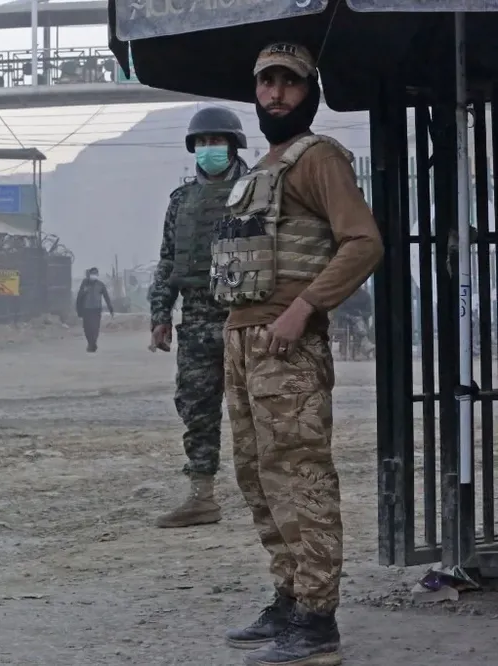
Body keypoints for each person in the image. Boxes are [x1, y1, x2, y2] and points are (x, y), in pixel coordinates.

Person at [212, 43, 383, 665]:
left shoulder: (319, 160)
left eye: (289, 83)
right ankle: (288, 596)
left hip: (286, 342)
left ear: (309, 92)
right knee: (259, 476)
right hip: (245, 340)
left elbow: (363, 242)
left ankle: (317, 621)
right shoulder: (265, 166)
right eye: (267, 83)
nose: (276, 93)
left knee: (300, 477)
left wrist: (305, 307)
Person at [148, 105, 249, 529]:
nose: (210, 149)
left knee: (258, 409)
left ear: (233, 145)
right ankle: (201, 496)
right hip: (197, 319)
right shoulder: (182, 201)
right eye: (203, 142)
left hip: (247, 315)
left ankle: (268, 493)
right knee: (196, 407)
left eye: (217, 141)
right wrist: (160, 314)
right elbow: (169, 259)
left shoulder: (256, 191)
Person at [76, 267, 113, 352]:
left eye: (95, 274)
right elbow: (79, 297)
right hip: (86, 310)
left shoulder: (100, 285)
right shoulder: (85, 284)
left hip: (96, 309)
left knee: (95, 328)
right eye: (92, 273)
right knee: (87, 328)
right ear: (89, 274)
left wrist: (110, 308)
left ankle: (93, 343)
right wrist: (79, 310)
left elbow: (106, 297)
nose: (94, 275)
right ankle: (90, 343)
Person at [332, 286, 374, 358]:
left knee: (358, 322)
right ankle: (364, 345)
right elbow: (338, 311)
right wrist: (348, 316)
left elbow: (369, 312)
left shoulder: (365, 295)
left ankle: (357, 350)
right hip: (345, 320)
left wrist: (361, 315)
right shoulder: (344, 294)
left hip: (360, 319)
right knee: (357, 322)